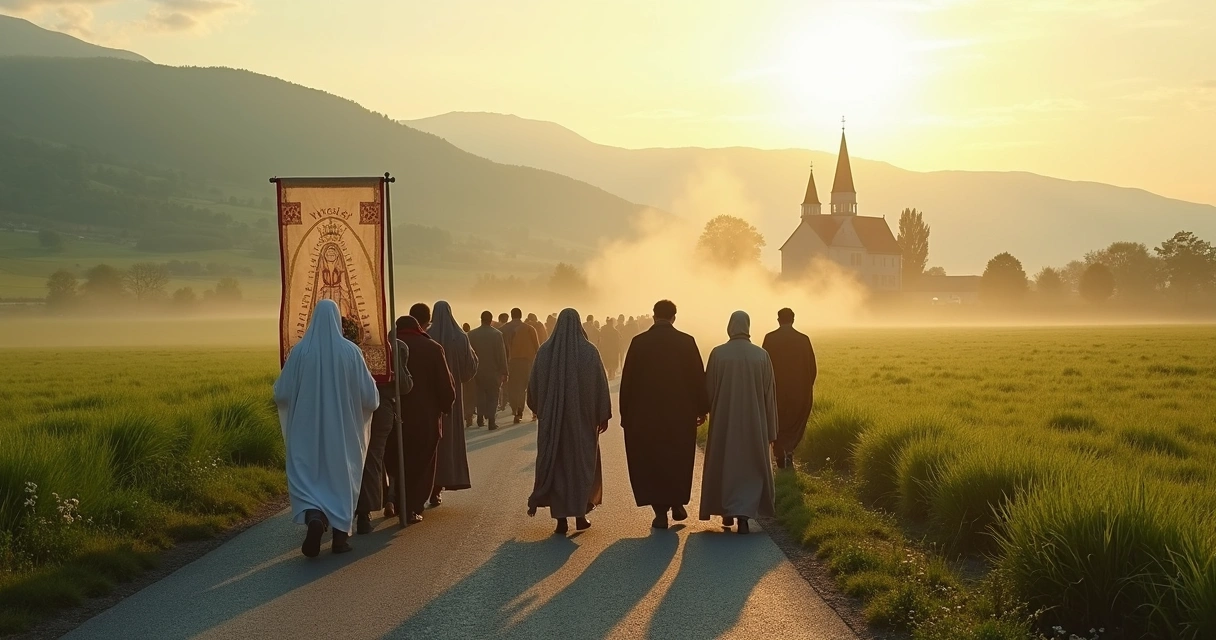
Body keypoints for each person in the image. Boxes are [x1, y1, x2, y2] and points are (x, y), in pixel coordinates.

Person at [274, 299, 379, 556]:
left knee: (308, 478)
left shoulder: (300, 352)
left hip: (305, 432)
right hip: (343, 433)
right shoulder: (351, 352)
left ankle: (315, 518)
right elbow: (369, 397)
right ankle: (340, 540)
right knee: (341, 478)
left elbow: (282, 392)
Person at [619, 299, 709, 530]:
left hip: (645, 414)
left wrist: (625, 413)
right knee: (678, 458)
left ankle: (660, 512)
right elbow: (698, 378)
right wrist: (702, 408)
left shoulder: (639, 342)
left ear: (653, 316)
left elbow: (627, 381)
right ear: (674, 317)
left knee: (651, 460)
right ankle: (676, 501)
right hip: (680, 413)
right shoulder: (686, 342)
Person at [526, 308, 612, 535]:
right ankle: (580, 515)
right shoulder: (589, 352)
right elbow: (601, 386)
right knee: (581, 465)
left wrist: (544, 412)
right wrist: (602, 415)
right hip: (583, 423)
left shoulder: (545, 352)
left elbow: (533, 388)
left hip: (552, 425)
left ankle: (561, 520)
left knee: (558, 467)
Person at [699, 311, 778, 535]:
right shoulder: (761, 355)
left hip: (725, 421)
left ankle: (727, 509)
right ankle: (744, 516)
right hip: (755, 421)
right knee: (750, 466)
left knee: (725, 463)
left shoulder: (718, 354)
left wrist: (703, 412)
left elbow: (709, 390)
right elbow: (769, 394)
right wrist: (771, 429)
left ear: (730, 327)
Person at [388, 306, 456, 524]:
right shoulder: (432, 348)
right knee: (421, 463)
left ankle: (394, 500)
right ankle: (413, 507)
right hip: (424, 417)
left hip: (391, 414)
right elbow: (445, 385)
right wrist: (446, 406)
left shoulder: (387, 347)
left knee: (395, 460)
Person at [355, 332, 413, 535]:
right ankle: (365, 513)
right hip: (382, 408)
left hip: (351, 408)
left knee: (352, 458)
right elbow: (404, 385)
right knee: (374, 457)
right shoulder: (396, 345)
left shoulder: (350, 345)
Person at [429, 301, 478, 507]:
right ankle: (440, 486)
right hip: (453, 398)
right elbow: (470, 368)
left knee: (431, 441)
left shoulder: (428, 335)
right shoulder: (461, 337)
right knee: (449, 440)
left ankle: (429, 485)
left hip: (430, 398)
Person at [762, 308, 817, 469]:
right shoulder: (803, 340)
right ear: (793, 320)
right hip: (798, 392)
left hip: (776, 392)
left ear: (778, 320)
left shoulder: (770, 338)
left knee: (777, 421)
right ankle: (789, 451)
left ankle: (780, 454)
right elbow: (812, 369)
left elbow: (764, 366)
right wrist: (805, 388)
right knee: (794, 423)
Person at [468, 310, 508, 429]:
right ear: (491, 321)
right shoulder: (497, 334)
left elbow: (468, 354)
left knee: (480, 394)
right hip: (493, 371)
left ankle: (480, 418)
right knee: (493, 395)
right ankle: (491, 420)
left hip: (477, 371)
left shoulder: (471, 334)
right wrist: (504, 371)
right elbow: (501, 354)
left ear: (481, 320)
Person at [500, 308, 540, 425]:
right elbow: (537, 348)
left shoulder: (503, 330)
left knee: (512, 387)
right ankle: (522, 410)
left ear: (511, 316)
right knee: (524, 387)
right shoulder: (529, 329)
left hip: (510, 362)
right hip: (526, 362)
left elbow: (500, 349)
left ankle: (515, 408)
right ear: (521, 316)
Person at [461, 322, 476, 428]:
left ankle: (466, 414)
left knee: (464, 396)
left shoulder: (459, 339)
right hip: (469, 373)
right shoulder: (467, 339)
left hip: (457, 374)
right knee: (470, 395)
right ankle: (469, 414)